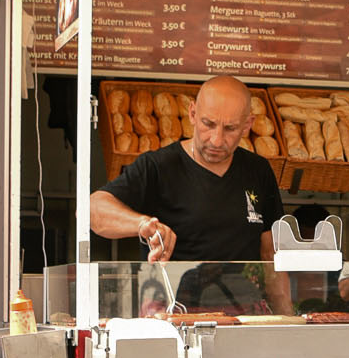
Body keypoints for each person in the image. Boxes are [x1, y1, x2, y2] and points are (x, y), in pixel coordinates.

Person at [88, 75, 290, 314]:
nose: (216, 139)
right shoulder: (158, 167)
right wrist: (142, 224)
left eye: (230, 129)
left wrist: (287, 323)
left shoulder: (258, 170)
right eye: (208, 124)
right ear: (192, 114)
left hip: (242, 318)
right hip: (176, 314)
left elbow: (271, 256)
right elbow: (91, 210)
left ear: (248, 125)